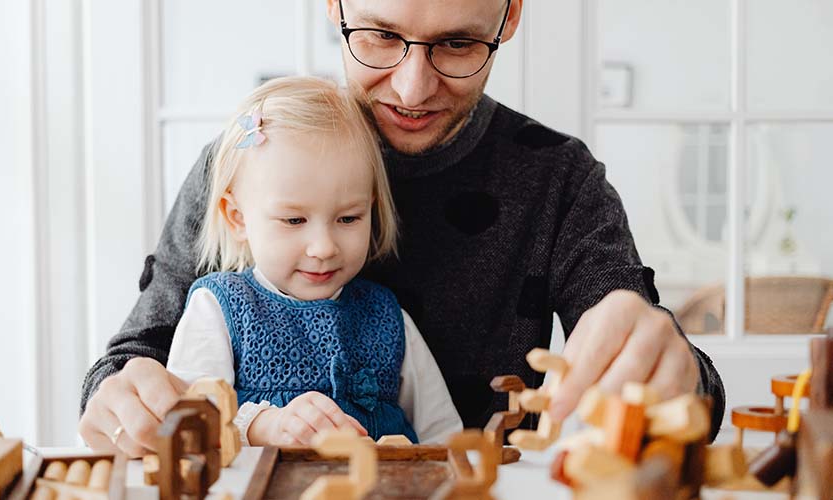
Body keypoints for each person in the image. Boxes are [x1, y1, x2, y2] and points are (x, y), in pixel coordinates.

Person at [79, 0, 725, 457]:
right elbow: (132, 359)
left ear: (511, 16)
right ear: (333, 5)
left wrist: (673, 374)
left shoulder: (557, 178)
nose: (413, 88)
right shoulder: (253, 157)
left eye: (458, 44)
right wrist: (121, 396)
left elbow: (678, 382)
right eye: (381, 36)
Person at [163, 76, 462, 447]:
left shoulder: (386, 316)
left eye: (348, 219)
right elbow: (189, 420)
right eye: (294, 220)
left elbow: (443, 432)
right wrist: (262, 426)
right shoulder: (221, 308)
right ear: (238, 218)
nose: (323, 247)